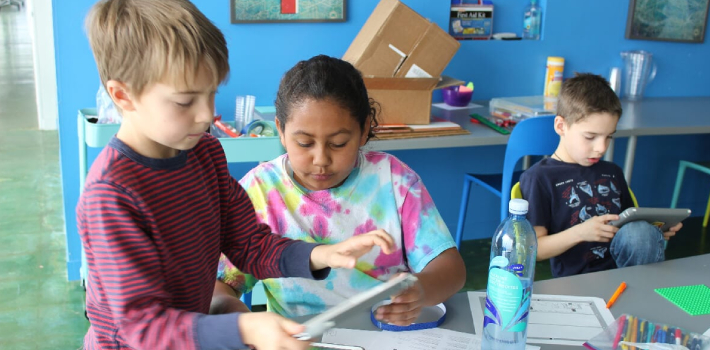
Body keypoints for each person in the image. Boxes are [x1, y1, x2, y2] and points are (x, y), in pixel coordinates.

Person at [79, 2, 395, 349]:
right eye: (185, 101)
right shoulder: (110, 195)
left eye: (212, 92)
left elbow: (248, 242)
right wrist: (243, 329)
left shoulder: (204, 153)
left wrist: (320, 255)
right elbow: (141, 328)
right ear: (123, 95)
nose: (207, 115)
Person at [213, 55, 466, 327]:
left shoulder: (394, 181)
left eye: (338, 143)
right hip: (300, 340)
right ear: (281, 131)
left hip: (386, 335)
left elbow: (452, 270)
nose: (321, 159)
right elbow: (220, 285)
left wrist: (420, 290)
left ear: (364, 129)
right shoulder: (259, 192)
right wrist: (238, 322)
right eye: (304, 143)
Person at [520, 73, 682, 278]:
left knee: (642, 233)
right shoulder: (539, 178)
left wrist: (653, 232)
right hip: (579, 279)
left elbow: (628, 227)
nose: (601, 148)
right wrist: (580, 232)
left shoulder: (612, 171)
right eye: (590, 137)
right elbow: (534, 251)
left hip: (627, 273)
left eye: (609, 137)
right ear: (561, 126)